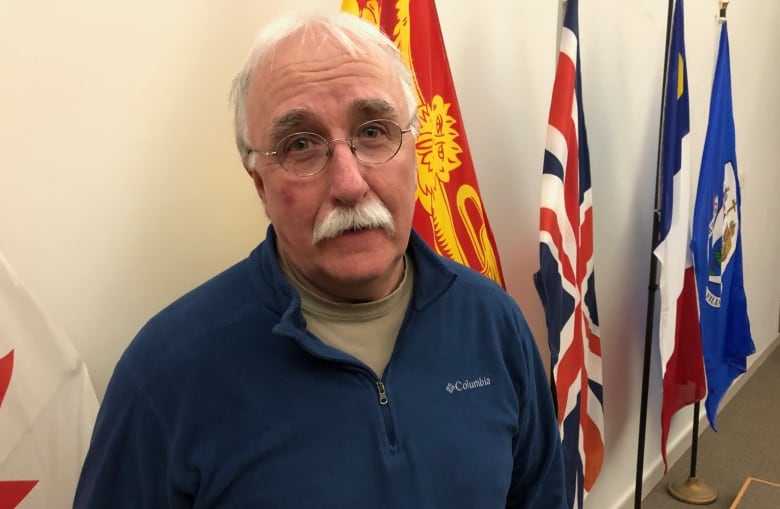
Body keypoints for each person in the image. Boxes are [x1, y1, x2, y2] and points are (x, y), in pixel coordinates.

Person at [74, 12, 566, 509]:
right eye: (301, 145)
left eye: (374, 131)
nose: (350, 183)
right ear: (260, 184)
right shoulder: (164, 375)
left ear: (416, 153)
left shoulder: (493, 322)